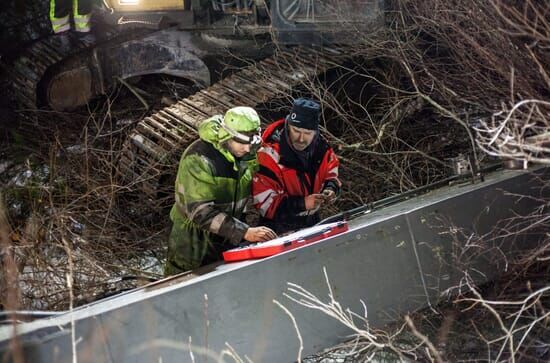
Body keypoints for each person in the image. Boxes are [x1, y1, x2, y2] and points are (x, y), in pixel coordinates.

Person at [165, 106, 277, 275]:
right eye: (242, 143)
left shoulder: (246, 154)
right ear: (227, 135)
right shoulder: (199, 158)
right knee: (184, 289)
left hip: (229, 237)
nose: (247, 149)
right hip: (193, 242)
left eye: (251, 143)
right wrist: (244, 231)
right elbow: (199, 212)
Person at [252, 98, 341, 235]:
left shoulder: (322, 148)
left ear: (315, 133)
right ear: (288, 126)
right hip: (277, 228)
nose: (301, 138)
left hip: (313, 222)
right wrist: (302, 204)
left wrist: (330, 188)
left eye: (307, 134)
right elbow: (265, 205)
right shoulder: (268, 155)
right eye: (296, 130)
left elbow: (331, 172)